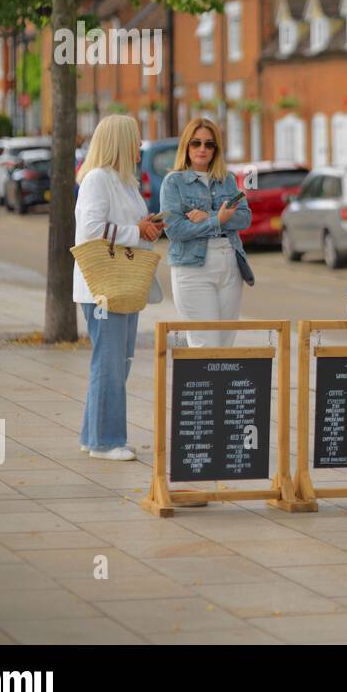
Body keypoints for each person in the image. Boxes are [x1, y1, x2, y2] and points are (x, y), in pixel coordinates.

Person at [74, 115, 165, 461]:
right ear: (119, 141)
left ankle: (92, 434)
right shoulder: (97, 179)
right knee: (109, 363)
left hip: (124, 284)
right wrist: (136, 231)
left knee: (117, 363)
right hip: (101, 286)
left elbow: (128, 225)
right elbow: (91, 230)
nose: (140, 145)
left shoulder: (124, 181)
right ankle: (106, 441)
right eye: (135, 139)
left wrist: (148, 226)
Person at [160, 118, 253, 348]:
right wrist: (218, 220)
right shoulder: (174, 182)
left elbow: (244, 217)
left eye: (209, 144)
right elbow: (175, 230)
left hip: (230, 265)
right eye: (196, 143)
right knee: (206, 345)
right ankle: (202, 386)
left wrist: (209, 216)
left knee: (225, 343)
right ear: (186, 146)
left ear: (216, 150)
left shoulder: (227, 180)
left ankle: (220, 386)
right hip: (193, 269)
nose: (202, 149)